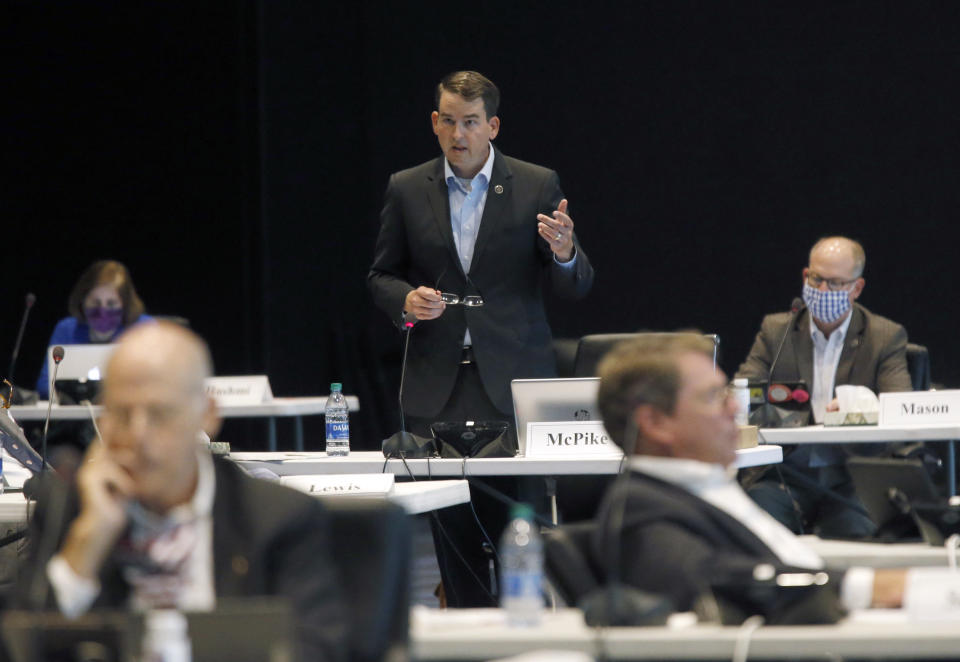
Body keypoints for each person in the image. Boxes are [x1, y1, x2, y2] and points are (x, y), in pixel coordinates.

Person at [367, 70, 594, 607]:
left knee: (523, 541)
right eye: (448, 121)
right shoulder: (406, 186)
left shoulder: (537, 184)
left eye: (470, 122)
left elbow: (578, 282)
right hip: (438, 387)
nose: (458, 134)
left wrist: (564, 251)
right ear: (434, 123)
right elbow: (380, 275)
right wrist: (406, 300)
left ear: (491, 126)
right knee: (456, 546)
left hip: (513, 389)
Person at [17, 322, 347, 662]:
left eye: (160, 413)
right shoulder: (69, 510)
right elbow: (19, 648)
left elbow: (316, 648)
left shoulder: (275, 517)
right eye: (121, 412)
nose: (138, 434)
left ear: (207, 415)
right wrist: (84, 548)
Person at [594, 333, 906, 616]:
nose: (734, 409)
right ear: (655, 423)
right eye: (713, 397)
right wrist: (863, 586)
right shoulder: (640, 508)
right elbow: (716, 582)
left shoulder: (702, 486)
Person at [736, 237, 912, 537]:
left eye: (835, 283)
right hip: (786, 472)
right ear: (805, 276)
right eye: (816, 279)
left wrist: (861, 405)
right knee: (755, 526)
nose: (822, 291)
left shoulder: (884, 336)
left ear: (856, 289)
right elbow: (742, 391)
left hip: (853, 474)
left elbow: (901, 407)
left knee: (853, 532)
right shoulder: (777, 330)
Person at [36, 260, 153, 400]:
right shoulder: (67, 329)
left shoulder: (144, 329)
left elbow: (161, 382)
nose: (102, 311)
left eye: (111, 303)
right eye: (95, 303)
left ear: (125, 304)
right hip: (75, 416)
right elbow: (45, 384)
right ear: (83, 300)